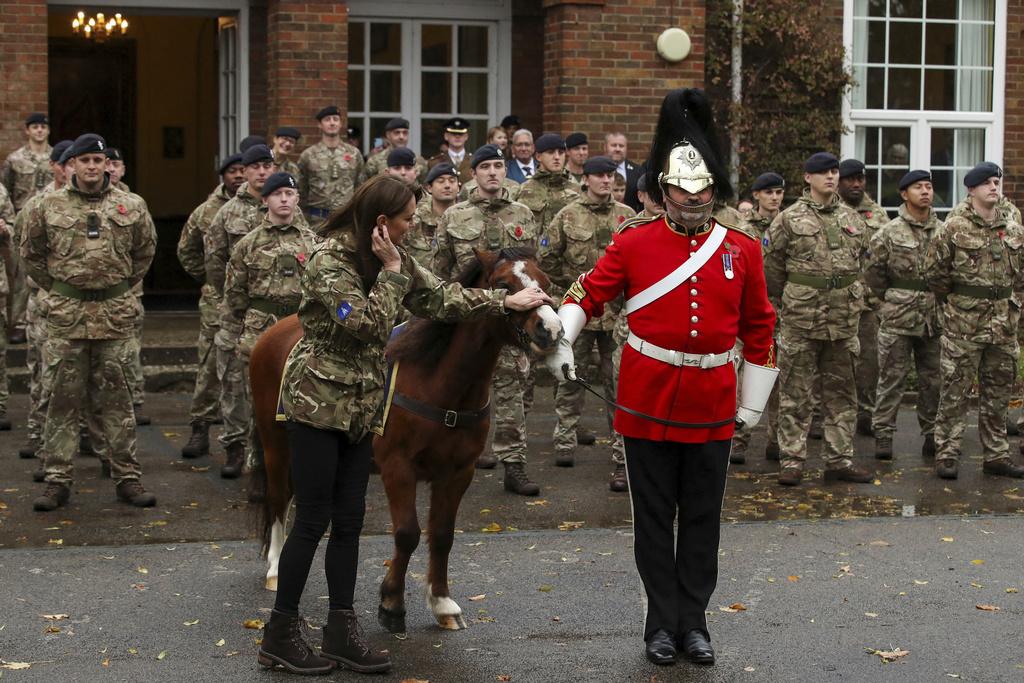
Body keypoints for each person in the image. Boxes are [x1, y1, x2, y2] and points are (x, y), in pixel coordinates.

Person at [258, 174, 550, 675]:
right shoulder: (332, 261)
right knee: (313, 519)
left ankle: (340, 629)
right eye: (408, 219)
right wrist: (394, 270)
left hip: (363, 405)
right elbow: (367, 324)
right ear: (381, 222)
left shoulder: (394, 260)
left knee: (350, 522)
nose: (414, 226)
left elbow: (443, 299)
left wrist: (506, 302)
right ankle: (280, 634)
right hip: (317, 403)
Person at [545, 89, 775, 666]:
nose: (694, 203)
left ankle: (694, 622)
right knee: (651, 518)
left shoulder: (742, 248)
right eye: (682, 193)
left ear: (714, 192)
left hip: (713, 399)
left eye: (703, 194)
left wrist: (751, 402)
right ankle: (659, 625)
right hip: (647, 397)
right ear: (662, 191)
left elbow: (760, 326)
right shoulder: (635, 239)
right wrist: (563, 337)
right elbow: (589, 291)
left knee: (701, 518)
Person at [21, 133, 157, 511]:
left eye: (99, 161)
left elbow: (145, 252)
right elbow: (30, 253)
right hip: (67, 317)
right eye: (85, 161)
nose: (93, 167)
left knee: (118, 402)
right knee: (61, 401)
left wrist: (118, 287)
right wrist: (60, 288)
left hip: (114, 316)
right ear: (72, 165)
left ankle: (127, 478)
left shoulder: (132, 205)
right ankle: (57, 479)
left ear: (108, 166)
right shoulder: (46, 205)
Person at [432, 144, 541, 492]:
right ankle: (454, 457)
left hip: (509, 322)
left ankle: (514, 464)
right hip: (469, 321)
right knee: (460, 390)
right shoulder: (454, 216)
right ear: (474, 173)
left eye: (498, 166)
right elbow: (440, 271)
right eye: (485, 167)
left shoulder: (522, 214)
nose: (493, 172)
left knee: (511, 390)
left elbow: (532, 270)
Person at [763, 152, 874, 486]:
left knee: (842, 393)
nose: (830, 176)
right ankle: (792, 460)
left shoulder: (853, 219)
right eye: (822, 172)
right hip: (802, 319)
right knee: (796, 393)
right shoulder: (788, 219)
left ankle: (839, 459)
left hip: (842, 321)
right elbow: (772, 269)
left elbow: (862, 262)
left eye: (834, 171)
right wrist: (795, 297)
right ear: (807, 178)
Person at [924, 162, 1024, 480]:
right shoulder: (954, 227)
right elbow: (934, 273)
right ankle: (948, 452)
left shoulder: (1013, 228)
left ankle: (996, 454)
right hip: (964, 325)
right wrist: (958, 301)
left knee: (997, 393)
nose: (994, 187)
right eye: (987, 183)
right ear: (971, 189)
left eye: (997, 182)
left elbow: (1019, 275)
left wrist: (1014, 305)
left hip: (1003, 325)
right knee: (955, 391)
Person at [540, 155, 635, 482]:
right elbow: (548, 260)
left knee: (619, 384)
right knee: (569, 378)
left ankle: (621, 451)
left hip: (617, 314)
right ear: (587, 179)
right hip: (580, 313)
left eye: (610, 175)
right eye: (600, 175)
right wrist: (567, 295)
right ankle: (565, 440)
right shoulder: (567, 217)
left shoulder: (627, 217)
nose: (606, 181)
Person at [222, 172, 319, 479]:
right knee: (260, 407)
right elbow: (235, 294)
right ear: (265, 201)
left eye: (290, 193)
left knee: (305, 404)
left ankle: (300, 467)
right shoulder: (248, 245)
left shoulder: (314, 243)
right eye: (277, 194)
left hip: (303, 332)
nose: (284, 199)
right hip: (260, 331)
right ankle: (259, 466)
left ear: (298, 199)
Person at [205, 143, 278, 477]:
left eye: (267, 166)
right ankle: (234, 447)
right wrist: (235, 298)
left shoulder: (285, 204)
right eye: (255, 167)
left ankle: (265, 451)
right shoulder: (227, 213)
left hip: (277, 314)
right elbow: (214, 261)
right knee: (234, 384)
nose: (262, 172)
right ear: (244, 172)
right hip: (239, 312)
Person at [864, 170, 942, 461]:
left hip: (933, 319)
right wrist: (886, 303)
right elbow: (873, 274)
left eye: (929, 187)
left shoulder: (943, 231)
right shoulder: (889, 232)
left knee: (933, 380)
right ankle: (883, 434)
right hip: (897, 317)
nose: (925, 192)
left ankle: (932, 434)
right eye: (918, 187)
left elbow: (948, 273)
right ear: (904, 193)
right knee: (891, 379)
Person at [176, 152, 246, 458]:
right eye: (233, 171)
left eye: (244, 170)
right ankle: (200, 426)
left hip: (251, 302)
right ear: (223, 176)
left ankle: (242, 438)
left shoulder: (264, 207)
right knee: (208, 365)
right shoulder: (206, 212)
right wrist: (209, 280)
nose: (239, 175)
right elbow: (187, 250)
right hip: (217, 301)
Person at [14, 140, 73, 459]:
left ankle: (85, 436)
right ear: (56, 167)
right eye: (63, 163)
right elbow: (25, 252)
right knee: (41, 372)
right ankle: (38, 435)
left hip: (74, 305)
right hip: (44, 300)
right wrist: (49, 286)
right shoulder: (38, 203)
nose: (68, 170)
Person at [729, 172, 785, 465]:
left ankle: (777, 440)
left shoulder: (790, 224)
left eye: (779, 192)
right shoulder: (743, 229)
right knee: (744, 374)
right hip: (748, 311)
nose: (775, 197)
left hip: (784, 310)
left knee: (780, 378)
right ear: (757, 196)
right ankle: (738, 439)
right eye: (769, 192)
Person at [838, 159, 888, 436]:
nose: (856, 184)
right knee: (835, 363)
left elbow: (887, 258)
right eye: (850, 179)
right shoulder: (830, 211)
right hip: (836, 303)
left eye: (860, 179)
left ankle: (865, 414)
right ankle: (825, 416)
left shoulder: (878, 214)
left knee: (869, 362)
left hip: (868, 304)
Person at [298, 105, 365, 229]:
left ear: (341, 124)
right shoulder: (308, 155)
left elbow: (360, 187)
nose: (332, 123)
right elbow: (302, 191)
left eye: (335, 119)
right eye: (327, 119)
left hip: (346, 220)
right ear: (320, 124)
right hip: (316, 221)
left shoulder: (354, 153)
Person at [407, 163, 459, 271]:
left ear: (459, 187)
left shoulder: (467, 218)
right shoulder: (415, 220)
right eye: (441, 181)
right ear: (429, 188)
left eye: (452, 180)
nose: (447, 185)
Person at [362, 117, 428, 184]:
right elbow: (365, 186)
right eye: (397, 133)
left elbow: (424, 187)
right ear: (388, 135)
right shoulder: (374, 161)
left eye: (405, 133)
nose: (401, 137)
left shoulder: (419, 161)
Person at [604, 131, 643, 212]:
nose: (618, 149)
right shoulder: (597, 170)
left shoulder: (638, 171)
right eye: (614, 145)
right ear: (605, 147)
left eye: (621, 146)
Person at [427, 118, 473, 183]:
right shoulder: (435, 162)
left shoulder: (474, 161)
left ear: (466, 136)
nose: (457, 136)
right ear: (446, 136)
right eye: (453, 134)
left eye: (460, 134)